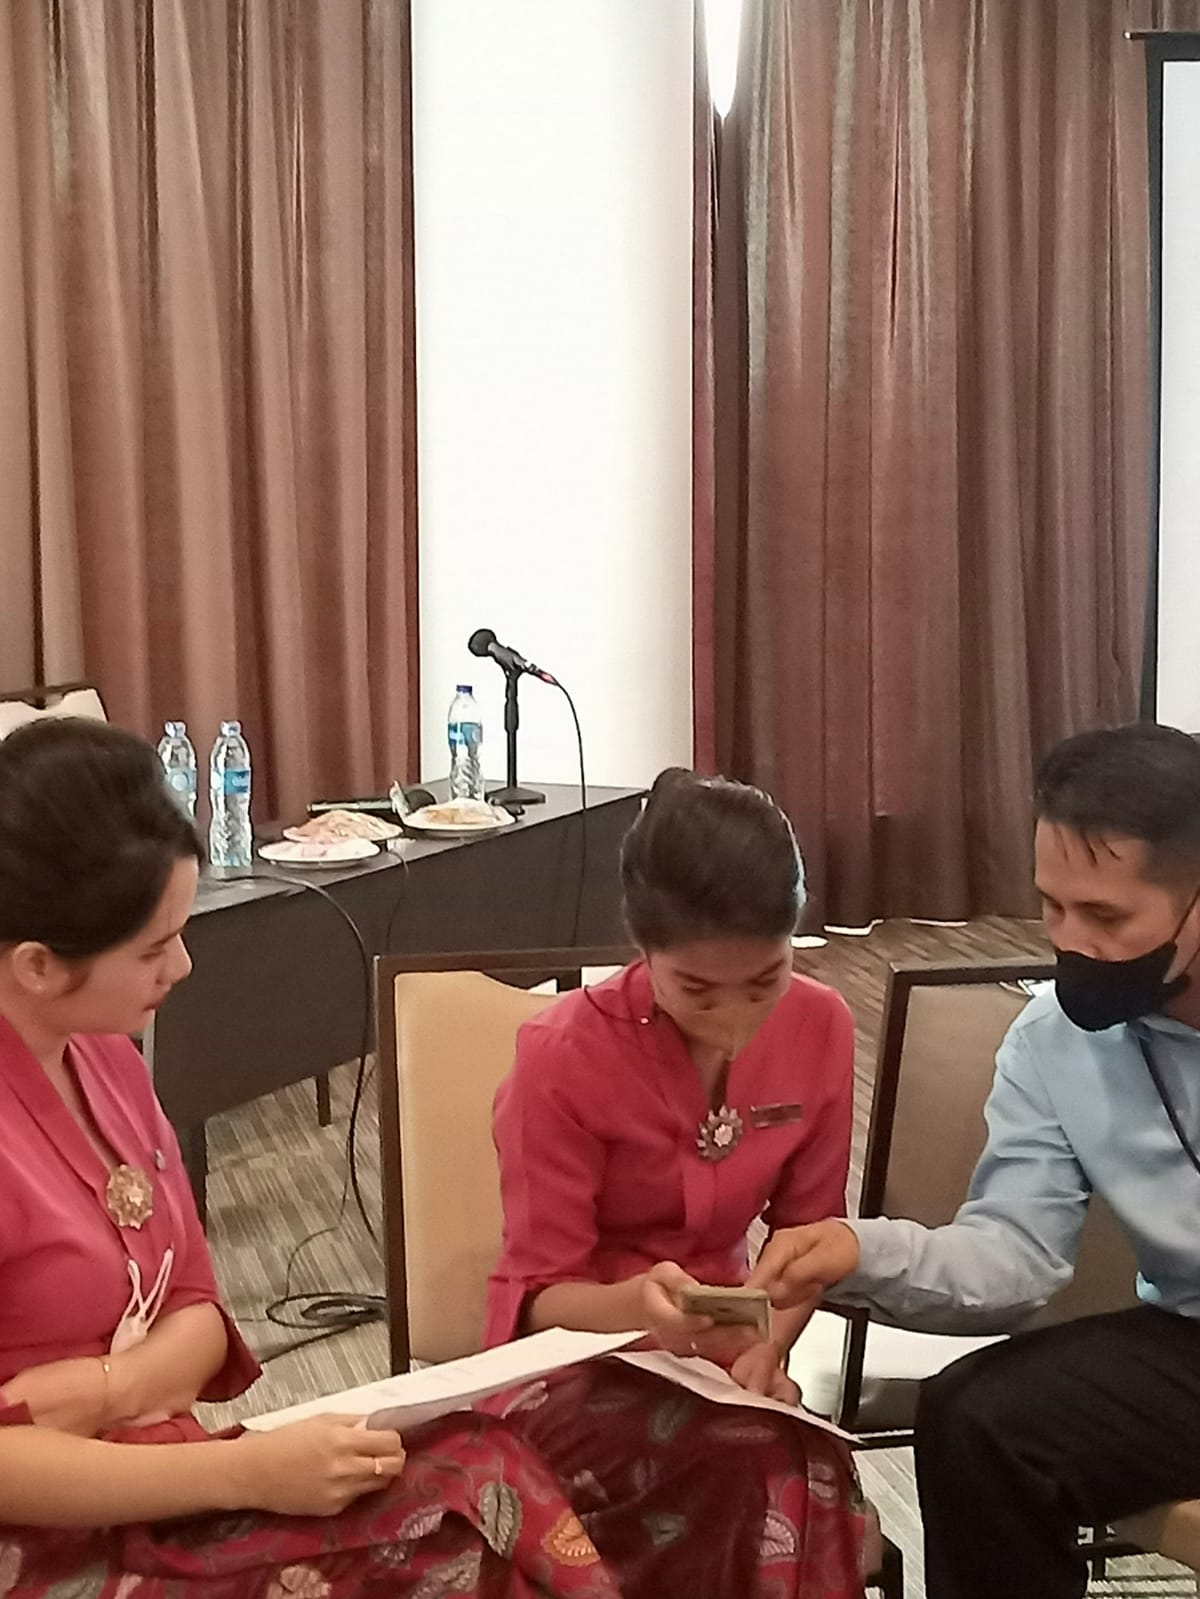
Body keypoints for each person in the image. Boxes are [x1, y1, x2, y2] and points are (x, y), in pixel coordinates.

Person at [0, 717, 619, 1599]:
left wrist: (104, 1388)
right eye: (152, 948)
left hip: (160, 1480)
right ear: (35, 964)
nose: (183, 965)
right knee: (461, 1530)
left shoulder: (102, 1056)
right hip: (51, 1543)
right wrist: (236, 1471)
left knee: (492, 1461)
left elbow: (197, 1312)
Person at [749, 722, 1200, 1599]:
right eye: (1053, 905)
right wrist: (857, 1249)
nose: (1070, 941)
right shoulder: (1053, 1041)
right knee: (974, 1419)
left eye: (1107, 917)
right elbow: (1016, 1256)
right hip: (1188, 1339)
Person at [486, 769, 871, 1598]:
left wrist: (766, 1348)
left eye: (765, 980)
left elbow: (806, 1243)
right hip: (577, 1363)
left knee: (799, 1457)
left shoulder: (822, 1025)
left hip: (720, 1358)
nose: (735, 1019)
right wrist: (638, 1307)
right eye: (696, 989)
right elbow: (539, 1296)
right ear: (642, 945)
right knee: (756, 1466)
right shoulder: (562, 1055)